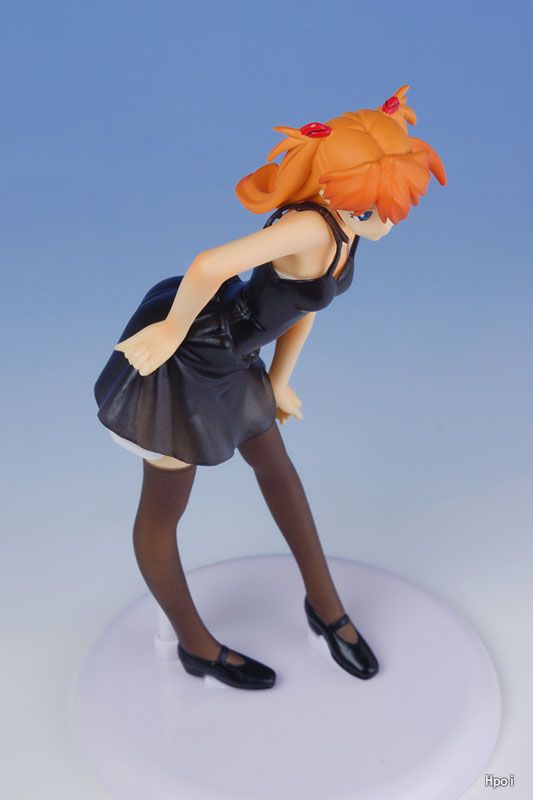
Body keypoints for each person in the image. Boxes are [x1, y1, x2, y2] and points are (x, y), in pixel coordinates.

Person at [94, 84, 446, 690]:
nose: (389, 220)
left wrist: (281, 380)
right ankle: (196, 645)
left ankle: (326, 608)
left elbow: (307, 304)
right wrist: (171, 331)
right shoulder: (310, 227)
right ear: (342, 195)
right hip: (192, 360)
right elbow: (209, 264)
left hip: (240, 357)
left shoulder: (346, 230)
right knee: (164, 509)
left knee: (278, 469)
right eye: (377, 208)